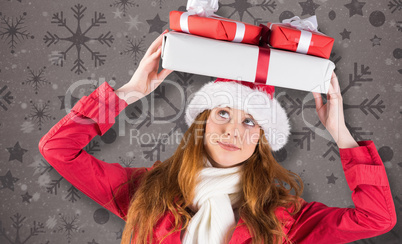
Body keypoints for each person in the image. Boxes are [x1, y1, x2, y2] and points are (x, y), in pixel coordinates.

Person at [39, 30, 397, 244]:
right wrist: (128, 93)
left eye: (250, 122)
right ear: (203, 123)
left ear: (261, 138)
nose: (231, 131)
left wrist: (342, 135)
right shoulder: (145, 190)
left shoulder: (285, 217)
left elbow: (376, 218)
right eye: (223, 113)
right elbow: (57, 150)